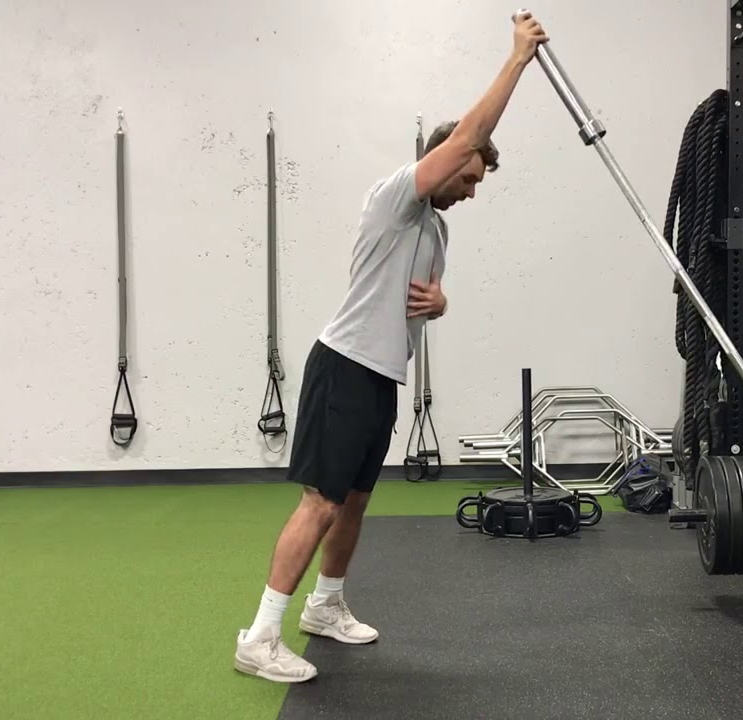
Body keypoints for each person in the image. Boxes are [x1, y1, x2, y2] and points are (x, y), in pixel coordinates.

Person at [232, 12, 549, 683]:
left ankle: (325, 606)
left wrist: (442, 304)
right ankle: (259, 636)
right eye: (468, 180)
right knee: (320, 502)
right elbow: (471, 133)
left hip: (380, 377)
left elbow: (421, 299)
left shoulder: (436, 231)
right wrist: (517, 60)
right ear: (451, 160)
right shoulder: (396, 197)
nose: (470, 192)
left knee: (354, 502)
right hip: (342, 367)